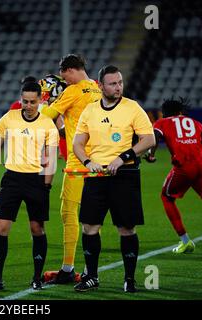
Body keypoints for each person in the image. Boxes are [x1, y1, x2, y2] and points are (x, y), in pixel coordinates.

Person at [72, 65, 155, 293]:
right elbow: (77, 144)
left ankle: (129, 278)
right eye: (113, 83)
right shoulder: (89, 111)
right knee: (90, 227)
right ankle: (92, 277)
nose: (118, 87)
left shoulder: (132, 108)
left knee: (126, 228)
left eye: (120, 82)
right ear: (100, 86)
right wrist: (89, 163)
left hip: (125, 176)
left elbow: (148, 140)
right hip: (96, 176)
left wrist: (123, 157)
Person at [0, 81, 59, 291]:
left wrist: (47, 185)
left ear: (40, 101)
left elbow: (51, 156)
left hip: (36, 181)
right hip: (12, 179)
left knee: (37, 228)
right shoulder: (8, 119)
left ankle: (37, 277)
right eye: (25, 101)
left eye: (32, 102)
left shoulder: (47, 124)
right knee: (1, 227)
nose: (28, 105)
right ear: (20, 99)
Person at [40, 54, 101, 284]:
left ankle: (67, 268)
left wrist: (45, 99)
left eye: (63, 73)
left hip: (78, 163)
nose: (62, 78)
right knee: (92, 218)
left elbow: (45, 118)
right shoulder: (97, 88)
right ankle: (90, 271)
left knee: (69, 214)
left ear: (70, 70)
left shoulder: (73, 91)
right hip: (98, 163)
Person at [145, 98, 202, 253]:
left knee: (167, 197)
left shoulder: (162, 122)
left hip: (184, 167)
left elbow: (155, 136)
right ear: (181, 111)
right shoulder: (196, 123)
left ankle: (185, 241)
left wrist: (151, 154)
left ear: (164, 112)